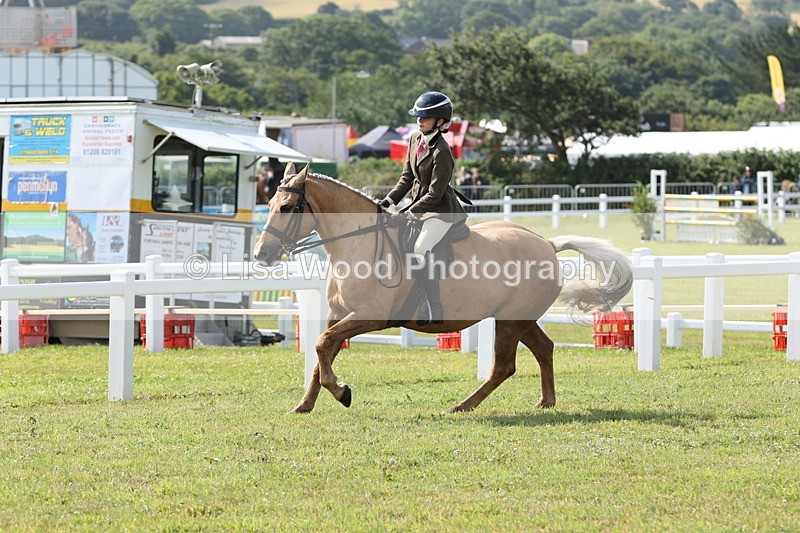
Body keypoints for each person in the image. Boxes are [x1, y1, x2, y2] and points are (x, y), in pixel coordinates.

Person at [379, 91, 468, 325]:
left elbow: (435, 194)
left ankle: (433, 305)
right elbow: (406, 178)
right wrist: (387, 202)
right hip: (420, 206)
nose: (420, 120)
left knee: (420, 247)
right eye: (418, 116)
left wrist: (407, 213)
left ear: (440, 121)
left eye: (426, 117)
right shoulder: (415, 139)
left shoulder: (442, 151)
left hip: (440, 211)